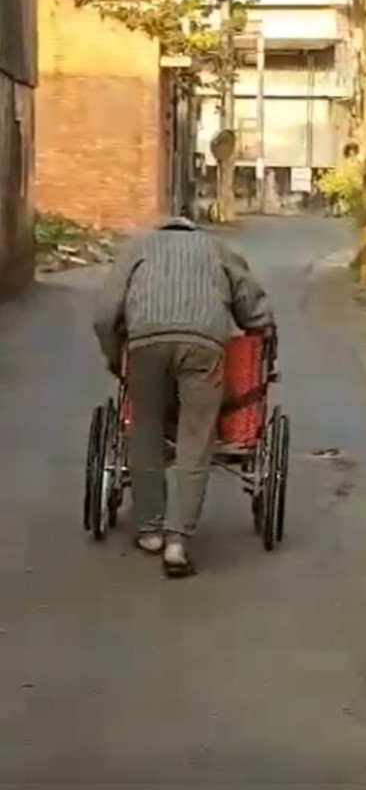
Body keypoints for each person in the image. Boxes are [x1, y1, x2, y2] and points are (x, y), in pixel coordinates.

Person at [93, 216, 274, 577]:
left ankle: (150, 531)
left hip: (145, 340)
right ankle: (177, 543)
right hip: (203, 343)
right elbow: (253, 309)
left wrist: (116, 360)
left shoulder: (137, 248)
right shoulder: (217, 248)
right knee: (197, 436)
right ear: (193, 230)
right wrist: (261, 333)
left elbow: (104, 316)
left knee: (144, 428)